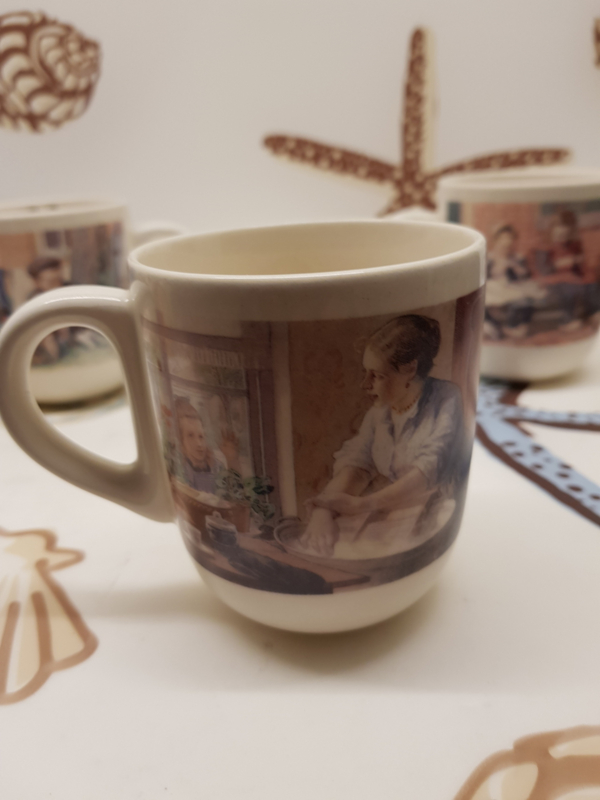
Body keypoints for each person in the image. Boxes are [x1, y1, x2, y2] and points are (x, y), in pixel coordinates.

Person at [299, 314, 465, 557]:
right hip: (392, 509)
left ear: (410, 369)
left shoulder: (446, 398)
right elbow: (357, 464)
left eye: (377, 375)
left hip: (437, 511)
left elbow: (428, 470)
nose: (365, 384)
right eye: (366, 373)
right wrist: (323, 511)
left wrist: (361, 504)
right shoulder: (379, 413)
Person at [175, 398, 227, 494]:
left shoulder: (218, 467)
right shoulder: (182, 471)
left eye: (201, 436)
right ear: (181, 440)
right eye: (190, 436)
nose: (199, 444)